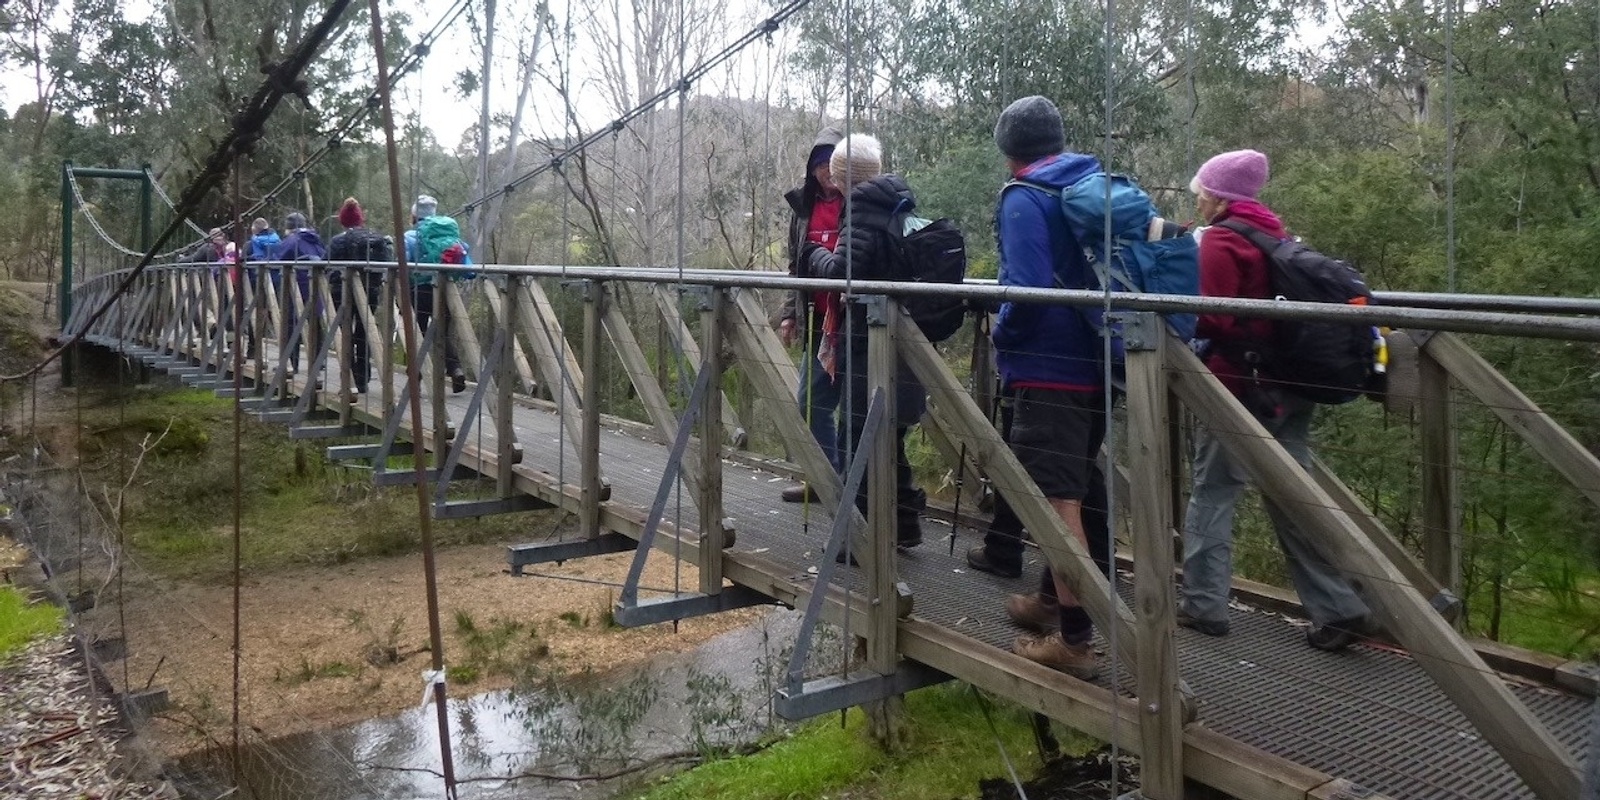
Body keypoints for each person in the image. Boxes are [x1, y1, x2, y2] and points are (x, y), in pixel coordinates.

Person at [1177, 149, 1373, 651]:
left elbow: (1212, 317)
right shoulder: (1273, 235)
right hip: (1287, 384)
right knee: (1293, 495)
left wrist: (1165, 315)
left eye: (1201, 190)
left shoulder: (1222, 240)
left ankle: (1203, 605)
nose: (1197, 199)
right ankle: (1336, 607)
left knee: (1214, 490)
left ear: (1218, 195)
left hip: (1240, 386)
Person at [986, 96, 1115, 680]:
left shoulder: (1025, 196)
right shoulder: (1089, 183)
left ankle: (1075, 640)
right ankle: (1048, 599)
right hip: (1098, 358)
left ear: (1008, 149)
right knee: (1073, 486)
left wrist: (1001, 332)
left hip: (1047, 367)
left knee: (1057, 502)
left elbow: (1029, 289)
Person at [798, 133, 927, 552]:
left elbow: (842, 272)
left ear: (841, 176)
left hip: (866, 340)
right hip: (901, 338)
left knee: (858, 434)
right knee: (888, 433)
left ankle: (856, 541)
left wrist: (812, 257)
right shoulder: (899, 201)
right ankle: (904, 524)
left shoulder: (862, 208)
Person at [777, 125, 845, 502]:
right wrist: (790, 313)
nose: (825, 171)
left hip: (856, 321)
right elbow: (795, 266)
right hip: (819, 319)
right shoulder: (803, 208)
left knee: (857, 407)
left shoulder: (859, 200)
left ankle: (851, 488)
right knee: (810, 401)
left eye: (831, 162)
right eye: (818, 164)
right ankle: (826, 478)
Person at [403, 194, 469, 393]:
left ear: (414, 215)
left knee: (416, 333)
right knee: (441, 332)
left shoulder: (409, 236)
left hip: (419, 289)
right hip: (446, 289)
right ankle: (455, 368)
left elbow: (402, 264)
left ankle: (416, 374)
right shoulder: (448, 235)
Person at [327, 197, 394, 393]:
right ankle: (363, 379)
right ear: (360, 218)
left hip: (342, 293)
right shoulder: (376, 237)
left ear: (342, 220)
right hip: (370, 291)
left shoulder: (338, 241)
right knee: (364, 333)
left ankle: (348, 380)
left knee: (344, 333)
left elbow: (325, 265)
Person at [272, 211, 326, 374]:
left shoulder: (290, 241)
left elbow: (279, 262)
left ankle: (290, 363)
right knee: (315, 323)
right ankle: (318, 361)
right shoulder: (316, 239)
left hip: (295, 288)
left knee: (291, 325)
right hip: (316, 286)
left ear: (288, 227)